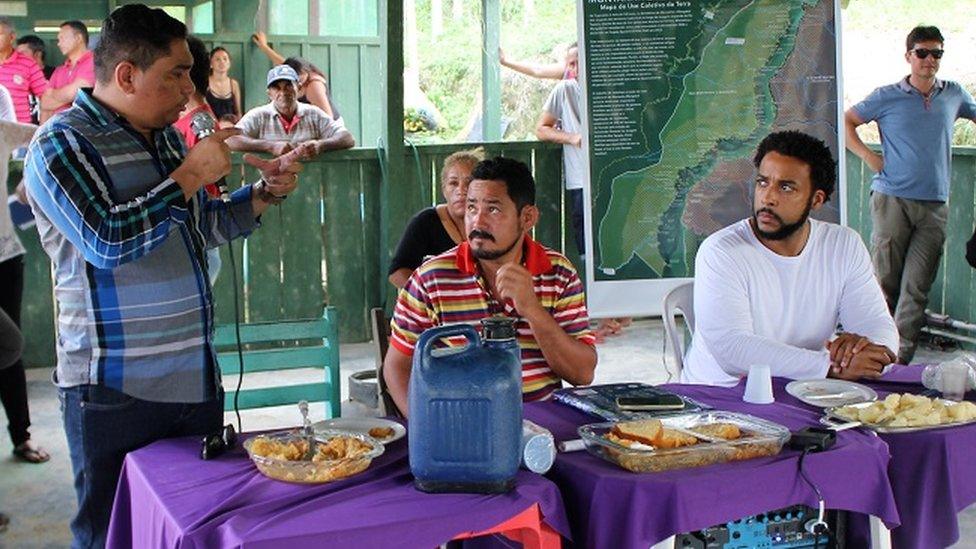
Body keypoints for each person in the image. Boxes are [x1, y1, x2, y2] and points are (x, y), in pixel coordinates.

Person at [22, 5, 301, 547]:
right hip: (114, 389)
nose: (189, 88)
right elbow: (108, 239)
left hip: (193, 376)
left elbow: (202, 224)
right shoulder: (60, 145)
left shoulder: (168, 140)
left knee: (188, 524)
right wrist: (191, 174)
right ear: (126, 75)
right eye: (175, 73)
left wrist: (265, 193)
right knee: (113, 533)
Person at [682, 131, 899, 387]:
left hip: (807, 391)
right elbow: (733, 351)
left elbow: (876, 324)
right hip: (720, 401)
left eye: (786, 187)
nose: (768, 197)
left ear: (816, 199)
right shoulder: (721, 251)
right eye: (763, 182)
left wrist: (867, 349)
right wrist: (829, 366)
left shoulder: (843, 244)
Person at [384, 156, 597, 415]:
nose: (477, 222)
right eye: (472, 208)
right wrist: (426, 427)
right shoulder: (432, 278)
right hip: (461, 423)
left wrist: (533, 310)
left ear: (527, 217)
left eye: (493, 209)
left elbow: (582, 375)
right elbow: (398, 366)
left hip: (543, 424)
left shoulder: (558, 272)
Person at [845, 26, 976, 365]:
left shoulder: (955, 94)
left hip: (935, 205)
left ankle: (899, 362)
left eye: (937, 53)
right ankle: (871, 356)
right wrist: (868, 157)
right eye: (922, 52)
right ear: (909, 56)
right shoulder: (887, 95)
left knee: (917, 288)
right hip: (892, 201)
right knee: (883, 284)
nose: (929, 60)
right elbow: (846, 121)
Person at [0, 110, 49, 465]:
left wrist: (30, 179)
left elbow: (49, 132)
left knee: (9, 351)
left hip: (4, 254)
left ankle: (21, 435)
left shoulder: (2, 131)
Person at [387, 147, 484, 288]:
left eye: (468, 183)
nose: (461, 190)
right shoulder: (425, 222)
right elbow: (397, 272)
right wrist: (427, 298)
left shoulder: (492, 223)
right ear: (444, 189)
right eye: (453, 183)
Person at [227, 64, 354, 156]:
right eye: (276, 88)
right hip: (269, 188)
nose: (283, 92)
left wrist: (320, 145)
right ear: (269, 94)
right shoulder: (258, 115)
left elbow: (347, 138)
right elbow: (231, 140)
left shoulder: (313, 113)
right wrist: (270, 146)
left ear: (298, 88)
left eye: (288, 86)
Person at [251, 32, 345, 125]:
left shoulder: (314, 87)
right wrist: (264, 47)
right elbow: (281, 62)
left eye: (298, 78)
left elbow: (328, 118)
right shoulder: (296, 71)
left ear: (305, 71)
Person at [38, 21, 94, 122]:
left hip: (83, 131)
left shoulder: (94, 62)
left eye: (62, 38)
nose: (59, 44)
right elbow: (45, 104)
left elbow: (77, 92)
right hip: (56, 132)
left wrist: (53, 94)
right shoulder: (59, 71)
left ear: (78, 38)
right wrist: (41, 135)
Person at [0, 18, 48, 124]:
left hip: (17, 133)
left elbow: (46, 97)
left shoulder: (28, 64)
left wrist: (42, 129)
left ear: (12, 37)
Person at [500, 42, 577, 80]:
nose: (573, 68)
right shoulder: (567, 71)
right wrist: (506, 62)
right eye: (571, 64)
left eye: (575, 63)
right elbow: (537, 70)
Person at [206, 46, 241, 125]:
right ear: (211, 64)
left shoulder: (234, 84)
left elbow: (238, 112)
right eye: (217, 59)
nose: (222, 62)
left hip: (229, 128)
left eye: (225, 59)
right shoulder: (205, 83)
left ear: (229, 63)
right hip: (211, 128)